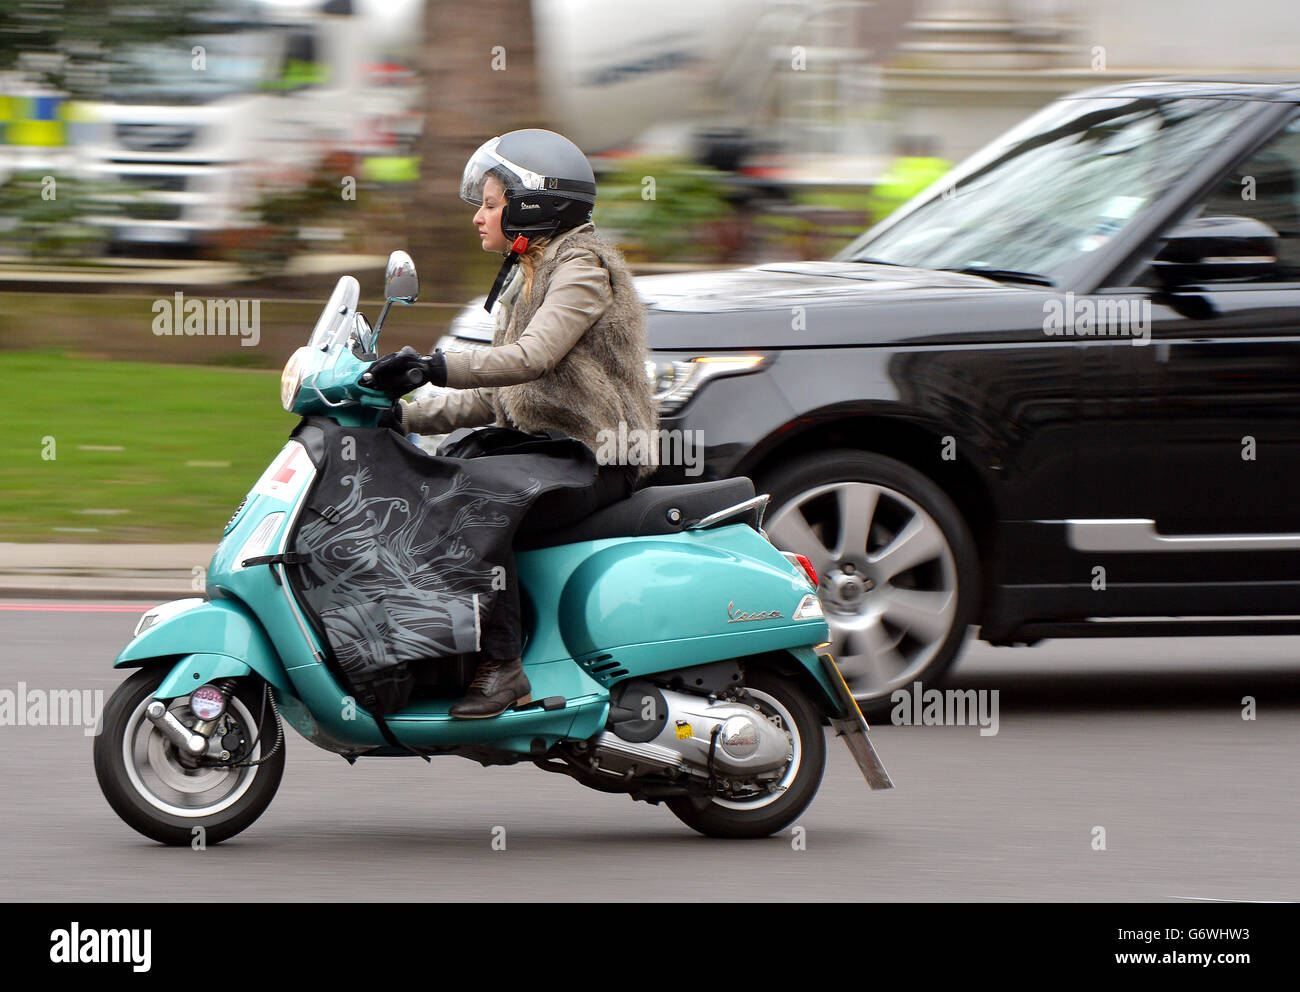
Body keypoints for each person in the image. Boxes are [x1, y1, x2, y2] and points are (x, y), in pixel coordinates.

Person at [364, 128, 658, 719]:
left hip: (599, 456)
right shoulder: (528, 272)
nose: (478, 215)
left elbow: (532, 357)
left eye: (491, 203)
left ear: (532, 204)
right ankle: (431, 651)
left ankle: (503, 668)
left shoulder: (582, 268)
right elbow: (501, 399)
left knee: (476, 500)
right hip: (548, 448)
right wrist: (393, 412)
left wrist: (431, 367)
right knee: (439, 474)